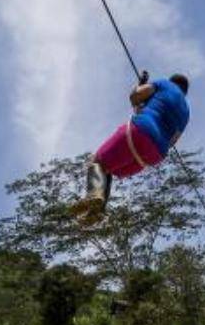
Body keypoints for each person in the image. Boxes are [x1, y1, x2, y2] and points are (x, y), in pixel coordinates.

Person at [70, 71, 190, 224]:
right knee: (106, 169)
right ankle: (96, 212)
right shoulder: (186, 113)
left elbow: (135, 97)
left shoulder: (165, 84)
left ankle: (94, 198)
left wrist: (139, 85)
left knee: (97, 162)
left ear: (172, 81)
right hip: (154, 155)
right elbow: (173, 141)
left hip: (140, 132)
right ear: (185, 92)